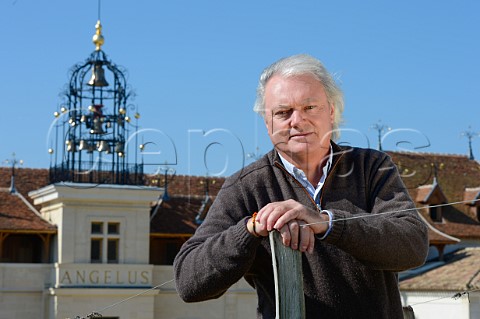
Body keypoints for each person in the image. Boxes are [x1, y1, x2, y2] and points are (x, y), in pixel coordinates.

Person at [174, 54, 429, 318]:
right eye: (283, 112)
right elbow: (188, 282)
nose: (297, 120)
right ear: (267, 121)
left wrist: (327, 223)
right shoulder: (245, 187)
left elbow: (413, 245)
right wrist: (252, 228)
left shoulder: (371, 167)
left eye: (310, 108)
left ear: (331, 111)